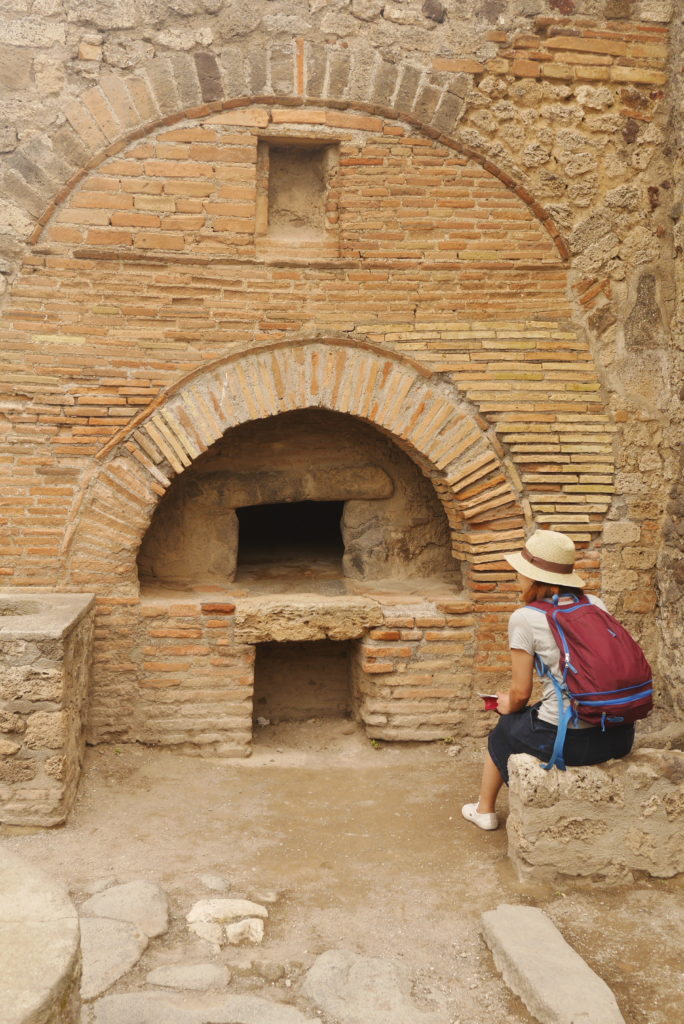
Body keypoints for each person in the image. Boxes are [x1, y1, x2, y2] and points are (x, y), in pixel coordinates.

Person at [462, 529, 635, 831]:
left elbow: (520, 694)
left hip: (570, 743)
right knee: (534, 713)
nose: (518, 576)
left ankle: (484, 810)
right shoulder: (595, 604)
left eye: (520, 571)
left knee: (502, 730)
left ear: (534, 577)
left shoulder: (525, 618)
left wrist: (505, 704)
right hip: (619, 735)